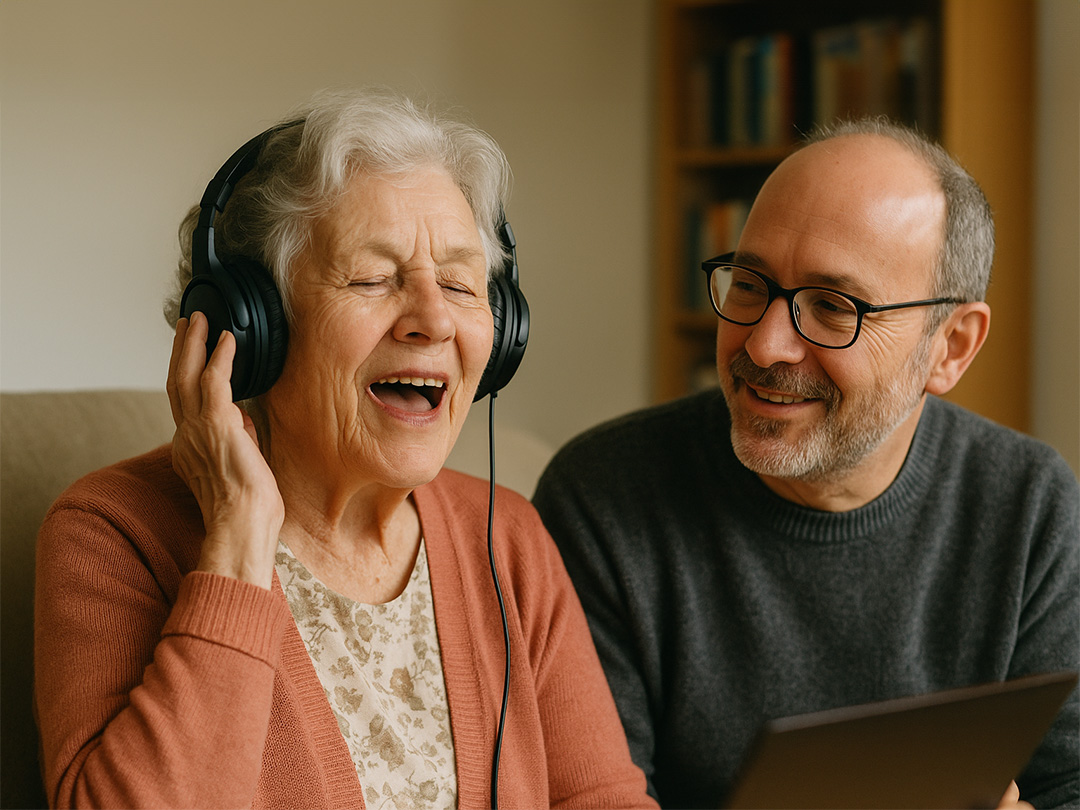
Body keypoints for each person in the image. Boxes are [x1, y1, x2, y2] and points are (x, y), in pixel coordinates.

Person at [34, 87, 655, 809]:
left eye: (461, 284)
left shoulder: (509, 540)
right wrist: (237, 542)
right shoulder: (112, 534)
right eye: (373, 279)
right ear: (251, 326)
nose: (433, 320)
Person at [533, 118, 1079, 809]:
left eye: (832, 307)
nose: (764, 346)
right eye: (750, 284)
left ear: (951, 347)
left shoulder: (1030, 505)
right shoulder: (603, 499)